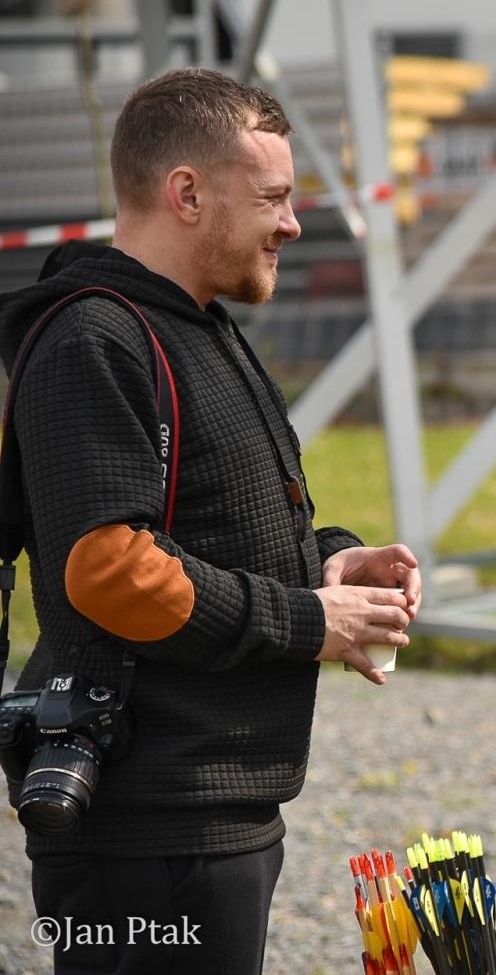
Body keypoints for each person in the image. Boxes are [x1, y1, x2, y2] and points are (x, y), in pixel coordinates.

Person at [0, 67, 421, 975]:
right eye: (273, 196)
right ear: (186, 193)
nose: (293, 222)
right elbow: (109, 569)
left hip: (209, 821)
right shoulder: (95, 339)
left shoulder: (200, 326)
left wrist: (333, 564)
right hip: (146, 836)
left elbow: (217, 531)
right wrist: (310, 621)